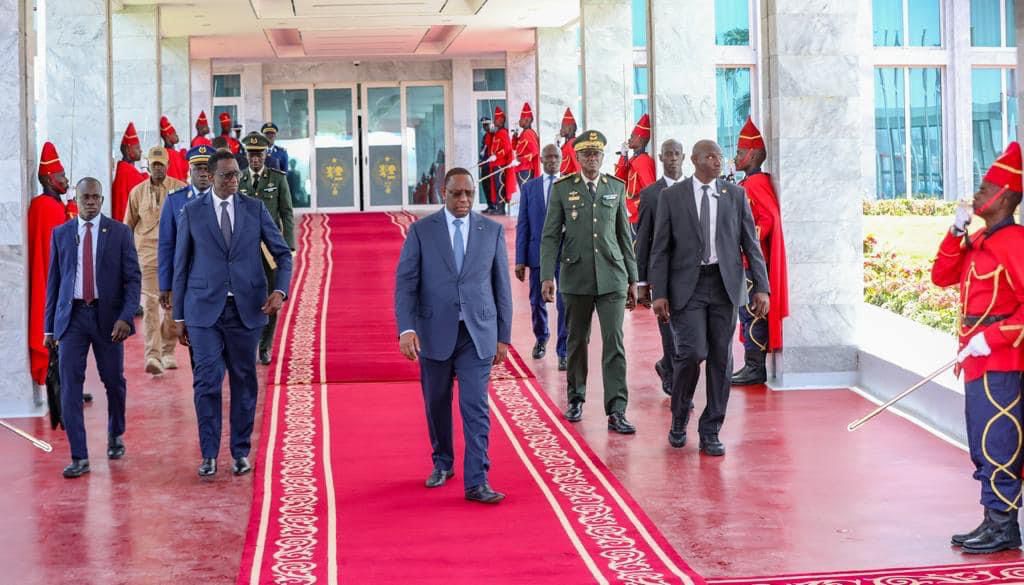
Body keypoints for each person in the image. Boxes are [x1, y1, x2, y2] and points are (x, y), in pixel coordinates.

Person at [394, 167, 513, 504]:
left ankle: (478, 480)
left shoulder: (489, 231)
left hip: (477, 334)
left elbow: (500, 287)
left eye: (469, 194)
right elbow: (406, 283)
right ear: (441, 194)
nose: (463, 200)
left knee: (475, 405)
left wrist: (503, 336)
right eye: (456, 194)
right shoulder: (421, 232)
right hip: (434, 332)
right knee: (436, 403)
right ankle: (443, 462)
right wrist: (406, 328)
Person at [172, 149, 293, 477]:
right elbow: (180, 265)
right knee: (207, 381)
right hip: (203, 312)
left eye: (236, 175)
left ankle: (240, 451)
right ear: (210, 177)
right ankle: (209, 453)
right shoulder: (192, 212)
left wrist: (279, 291)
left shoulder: (253, 209)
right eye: (227, 175)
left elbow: (283, 254)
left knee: (244, 381)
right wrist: (178, 316)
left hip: (246, 310)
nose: (234, 180)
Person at [932, 141, 1024, 554]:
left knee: (999, 439)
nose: (977, 195)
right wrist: (956, 232)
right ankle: (993, 518)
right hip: (975, 357)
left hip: (1001, 358)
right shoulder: (981, 240)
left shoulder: (1015, 243)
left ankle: (1004, 526)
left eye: (986, 189)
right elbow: (942, 275)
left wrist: (994, 336)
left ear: (1004, 196)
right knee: (982, 442)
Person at [649, 139, 770, 455]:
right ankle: (679, 416)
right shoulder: (671, 197)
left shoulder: (735, 195)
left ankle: (711, 429)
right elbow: (660, 248)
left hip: (724, 285)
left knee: (721, 357)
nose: (718, 161)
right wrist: (658, 292)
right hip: (686, 287)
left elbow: (750, 245)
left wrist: (762, 287)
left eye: (720, 156)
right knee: (691, 353)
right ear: (695, 160)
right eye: (711, 156)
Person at [539, 130, 638, 434]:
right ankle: (576, 398)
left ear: (602, 157)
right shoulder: (562, 189)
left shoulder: (616, 188)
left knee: (614, 343)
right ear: (577, 157)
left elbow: (625, 236)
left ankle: (617, 410)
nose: (592, 159)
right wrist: (546, 276)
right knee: (577, 341)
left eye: (596, 154)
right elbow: (551, 235)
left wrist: (634, 279)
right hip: (576, 277)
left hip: (612, 277)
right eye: (586, 154)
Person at [44, 177, 141, 478]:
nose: (90, 202)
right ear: (77, 198)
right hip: (72, 319)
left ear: (101, 200)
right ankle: (79, 456)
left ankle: (115, 434)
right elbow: (54, 284)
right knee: (70, 387)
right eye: (85, 196)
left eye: (95, 197)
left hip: (108, 319)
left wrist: (126, 317)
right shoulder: (61, 234)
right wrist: (49, 329)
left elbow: (133, 279)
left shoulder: (120, 233)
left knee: (114, 381)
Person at [731, 118, 789, 386]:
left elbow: (767, 221)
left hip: (752, 262)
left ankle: (755, 367)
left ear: (752, 154)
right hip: (745, 260)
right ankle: (751, 364)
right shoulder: (748, 183)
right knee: (746, 312)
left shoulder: (755, 185)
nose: (736, 157)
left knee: (752, 312)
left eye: (740, 152)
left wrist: (743, 237)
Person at [125, 146, 186, 375]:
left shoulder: (180, 190)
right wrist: (127, 260)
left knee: (171, 305)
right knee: (151, 305)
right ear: (148, 165)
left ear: (168, 165)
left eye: (162, 164)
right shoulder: (137, 193)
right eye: (154, 164)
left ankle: (167, 350)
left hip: (173, 258)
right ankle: (152, 355)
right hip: (147, 257)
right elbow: (127, 227)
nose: (158, 168)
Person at [239, 131, 295, 365]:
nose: (255, 159)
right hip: (244, 248)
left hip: (270, 247)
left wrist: (288, 246)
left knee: (272, 294)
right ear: (246, 155)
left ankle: (265, 345)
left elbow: (286, 213)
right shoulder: (238, 179)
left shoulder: (278, 178)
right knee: (246, 294)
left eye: (259, 154)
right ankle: (248, 341)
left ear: (265, 154)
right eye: (251, 154)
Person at [635, 138, 686, 396]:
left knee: (688, 334)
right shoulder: (651, 195)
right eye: (668, 154)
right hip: (664, 276)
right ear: (661, 158)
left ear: (684, 157)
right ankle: (675, 379)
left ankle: (667, 365)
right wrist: (642, 282)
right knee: (669, 331)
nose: (673, 158)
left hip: (691, 275)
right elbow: (643, 241)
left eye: (677, 153)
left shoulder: (694, 189)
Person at [158, 145, 214, 371]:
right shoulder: (176, 201)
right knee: (197, 347)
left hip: (222, 284)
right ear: (189, 171)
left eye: (206, 167)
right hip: (191, 285)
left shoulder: (228, 199)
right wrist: (165, 285)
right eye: (197, 168)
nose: (202, 172)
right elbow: (166, 244)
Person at [29, 142, 78, 388]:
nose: (66, 179)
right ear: (49, 179)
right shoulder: (46, 208)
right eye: (61, 176)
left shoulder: (53, 205)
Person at [515, 144, 568, 370]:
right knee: (537, 300)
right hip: (537, 253)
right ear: (541, 160)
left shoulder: (570, 185)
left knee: (565, 302)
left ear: (562, 159)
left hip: (566, 254)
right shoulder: (530, 188)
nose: (552, 160)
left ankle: (563, 350)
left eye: (556, 156)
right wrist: (520, 258)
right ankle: (541, 336)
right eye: (548, 157)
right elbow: (523, 224)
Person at [614, 114, 657, 235]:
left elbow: (651, 192)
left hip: (639, 216)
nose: (629, 139)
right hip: (632, 216)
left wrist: (631, 207)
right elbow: (619, 180)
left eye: (632, 136)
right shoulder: (634, 159)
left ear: (641, 139)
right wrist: (623, 156)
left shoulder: (643, 161)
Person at [111, 122, 148, 223]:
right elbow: (148, 188)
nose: (140, 151)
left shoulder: (123, 169)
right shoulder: (128, 172)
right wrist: (144, 170)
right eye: (137, 148)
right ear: (128, 149)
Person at [485, 106, 515, 216]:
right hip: (495, 164)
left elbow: (507, 148)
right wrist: (490, 132)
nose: (494, 121)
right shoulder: (496, 133)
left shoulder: (503, 133)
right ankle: (498, 206)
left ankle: (501, 208)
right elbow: (489, 144)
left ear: (502, 120)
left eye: (496, 119)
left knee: (500, 186)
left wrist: (497, 156)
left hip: (500, 164)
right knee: (495, 187)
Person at [513, 102, 540, 189]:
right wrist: (515, 136)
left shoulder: (528, 133)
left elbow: (535, 151)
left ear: (528, 120)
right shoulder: (523, 133)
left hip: (526, 169)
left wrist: (521, 159)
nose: (519, 121)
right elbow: (514, 147)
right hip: (521, 169)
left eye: (521, 119)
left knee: (527, 195)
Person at [160, 116, 189, 181]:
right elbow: (184, 170)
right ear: (168, 136)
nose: (177, 135)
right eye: (174, 133)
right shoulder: (171, 154)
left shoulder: (172, 153)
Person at [559, 108, 581, 176]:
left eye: (563, 127)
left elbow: (578, 164)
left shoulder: (572, 143)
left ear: (570, 128)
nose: (561, 130)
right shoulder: (566, 144)